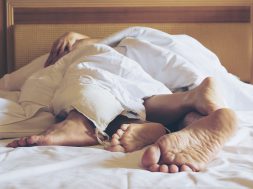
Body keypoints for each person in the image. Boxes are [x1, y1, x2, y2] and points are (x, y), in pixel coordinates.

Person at [5, 31, 237, 173]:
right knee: (140, 98)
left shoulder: (86, 48)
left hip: (122, 62)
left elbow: (9, 83)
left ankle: (82, 120)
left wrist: (77, 40)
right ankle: (188, 107)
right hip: (161, 85)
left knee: (88, 67)